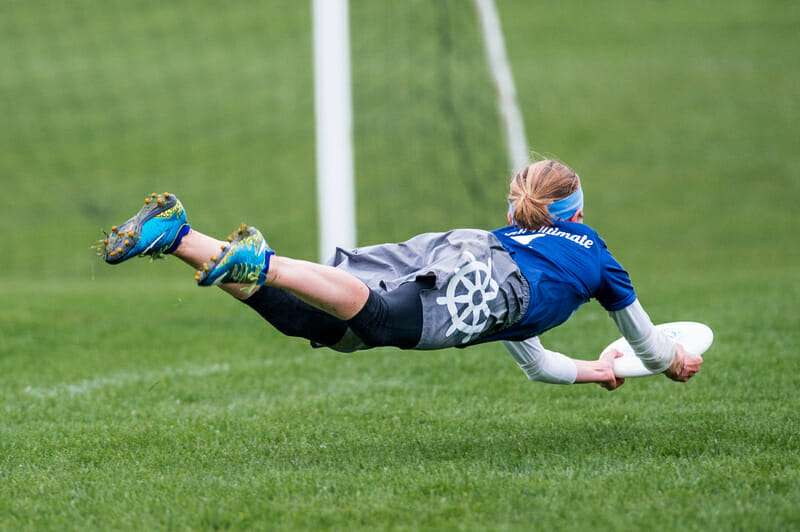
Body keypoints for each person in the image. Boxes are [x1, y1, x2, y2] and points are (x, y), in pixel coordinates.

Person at [97, 159, 703, 391]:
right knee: (382, 320)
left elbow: (537, 361)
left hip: (461, 248)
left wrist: (594, 372)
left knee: (317, 324)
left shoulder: (528, 248)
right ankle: (266, 260)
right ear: (578, 211)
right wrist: (670, 360)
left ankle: (176, 234)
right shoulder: (596, 257)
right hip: (491, 277)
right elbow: (650, 344)